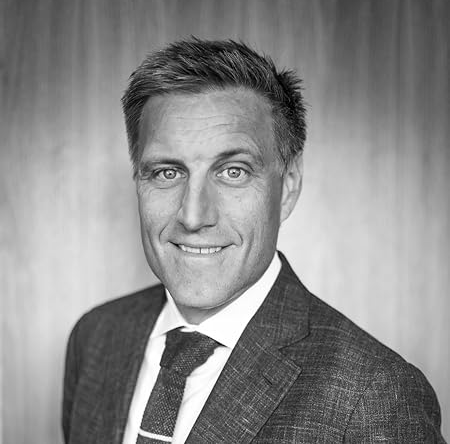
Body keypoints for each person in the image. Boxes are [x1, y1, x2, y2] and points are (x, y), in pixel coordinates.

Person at [62, 38, 445, 444]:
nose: (193, 216)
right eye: (167, 173)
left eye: (234, 172)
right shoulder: (95, 337)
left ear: (288, 187)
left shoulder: (376, 398)